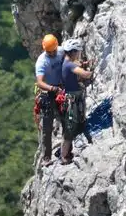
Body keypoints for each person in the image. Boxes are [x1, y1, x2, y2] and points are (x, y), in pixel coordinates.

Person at [59, 38, 93, 164]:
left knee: (73, 125)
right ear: (73, 52)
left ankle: (65, 154)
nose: (79, 54)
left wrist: (83, 64)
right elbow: (85, 74)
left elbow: (77, 67)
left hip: (71, 97)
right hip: (72, 99)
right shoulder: (70, 65)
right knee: (70, 128)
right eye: (78, 52)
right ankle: (64, 157)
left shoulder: (66, 62)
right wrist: (91, 71)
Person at [35, 34, 64, 167]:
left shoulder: (61, 52)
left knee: (67, 120)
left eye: (54, 50)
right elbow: (40, 82)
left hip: (61, 89)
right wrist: (52, 88)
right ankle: (46, 158)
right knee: (47, 126)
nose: (52, 53)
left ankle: (65, 150)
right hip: (48, 94)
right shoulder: (42, 61)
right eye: (49, 51)